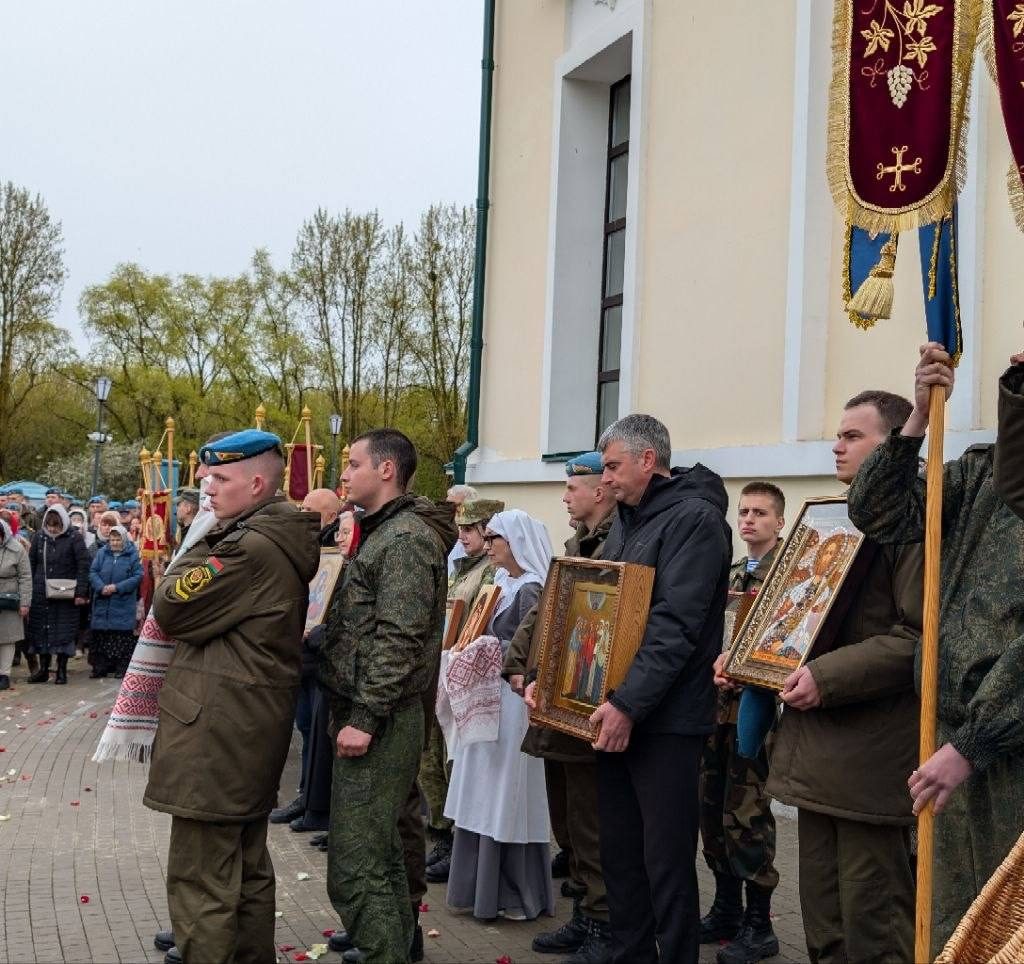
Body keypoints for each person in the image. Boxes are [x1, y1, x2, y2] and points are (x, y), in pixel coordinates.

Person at [847, 345, 1024, 953]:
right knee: (950, 919)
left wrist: (975, 744)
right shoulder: (979, 473)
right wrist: (918, 419)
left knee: (1005, 926)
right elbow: (879, 511)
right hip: (949, 732)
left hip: (1006, 746)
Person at [143, 429, 320, 964]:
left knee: (203, 883)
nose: (205, 486)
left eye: (219, 478)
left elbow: (171, 606)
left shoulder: (246, 547)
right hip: (242, 730)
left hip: (216, 737)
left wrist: (195, 547)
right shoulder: (261, 537)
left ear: (257, 483)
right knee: (244, 870)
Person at [761, 390, 921, 964]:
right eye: (839, 434)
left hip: (869, 760)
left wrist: (824, 676)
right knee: (825, 925)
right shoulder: (833, 517)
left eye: (853, 436)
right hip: (817, 754)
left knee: (873, 929)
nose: (836, 445)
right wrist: (751, 655)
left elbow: (917, 637)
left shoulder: (914, 522)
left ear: (898, 443)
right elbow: (797, 613)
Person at [591, 413, 732, 964]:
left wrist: (627, 703)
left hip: (667, 719)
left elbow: (676, 625)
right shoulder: (629, 517)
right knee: (620, 854)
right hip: (618, 710)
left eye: (613, 465)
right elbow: (603, 607)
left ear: (648, 460)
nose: (606, 478)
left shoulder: (695, 520)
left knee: (666, 861)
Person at [319, 428, 454, 964]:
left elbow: (400, 638)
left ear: (387, 470)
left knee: (355, 867)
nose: (344, 473)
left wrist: (366, 717)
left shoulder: (403, 541)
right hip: (369, 715)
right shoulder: (381, 533)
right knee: (384, 859)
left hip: (380, 720)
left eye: (353, 464)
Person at [510, 452, 616, 963]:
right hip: (557, 700)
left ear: (599, 492)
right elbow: (546, 611)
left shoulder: (617, 542)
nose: (564, 495)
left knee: (591, 823)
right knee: (568, 822)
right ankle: (581, 914)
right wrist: (523, 667)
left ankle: (602, 924)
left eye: (573, 487)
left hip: (586, 703)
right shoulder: (577, 545)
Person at [443, 508, 556, 922]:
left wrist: (484, 649)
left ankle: (512, 890)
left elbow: (524, 647)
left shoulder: (530, 588)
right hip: (487, 700)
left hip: (510, 706)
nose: (487, 546)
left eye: (494, 539)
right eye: (486, 539)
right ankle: (479, 887)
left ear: (517, 543)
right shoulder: (502, 583)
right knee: (482, 790)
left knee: (508, 791)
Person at [699, 482, 786, 964]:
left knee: (749, 816)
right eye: (744, 511)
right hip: (714, 711)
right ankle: (726, 907)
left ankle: (760, 924)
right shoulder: (732, 574)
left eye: (760, 513)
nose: (749, 520)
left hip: (754, 713)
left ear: (778, 522)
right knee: (711, 812)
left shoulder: (785, 578)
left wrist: (745, 670)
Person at [422, 497, 504, 884]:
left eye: (471, 529)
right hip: (443, 669)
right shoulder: (461, 567)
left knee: (452, 761)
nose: (464, 536)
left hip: (465, 678)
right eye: (462, 529)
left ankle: (454, 839)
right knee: (432, 760)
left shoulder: (490, 573)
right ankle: (440, 831)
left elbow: (477, 624)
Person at [271, 487, 343, 833]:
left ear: (329, 516)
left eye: (309, 510)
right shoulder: (310, 545)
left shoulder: (337, 554)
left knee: (317, 730)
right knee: (304, 726)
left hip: (320, 654)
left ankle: (318, 805)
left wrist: (315, 630)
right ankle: (305, 795)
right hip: (300, 651)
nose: (303, 514)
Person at [26, 505, 90, 685]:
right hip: (41, 592)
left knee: (64, 631)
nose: (52, 529)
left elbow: (83, 566)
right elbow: (31, 564)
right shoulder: (39, 538)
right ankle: (44, 669)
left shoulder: (74, 538)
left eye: (56, 525)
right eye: (49, 525)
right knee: (41, 630)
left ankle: (61, 669)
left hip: (65, 594)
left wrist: (80, 592)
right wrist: (30, 589)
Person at [88, 525, 143, 679]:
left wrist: (117, 588)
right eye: (112, 539)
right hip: (102, 602)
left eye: (118, 539)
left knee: (121, 638)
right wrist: (101, 587)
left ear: (124, 539)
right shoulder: (102, 553)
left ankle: (121, 668)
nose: (115, 542)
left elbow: (137, 576)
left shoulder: (132, 554)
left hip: (123, 602)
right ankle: (100, 667)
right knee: (101, 637)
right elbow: (93, 572)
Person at [0, 517, 32, 690]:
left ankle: (4, 674)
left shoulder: (17, 549)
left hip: (9, 598)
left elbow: (25, 577)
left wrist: (25, 602)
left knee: (7, 638)